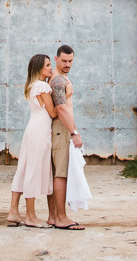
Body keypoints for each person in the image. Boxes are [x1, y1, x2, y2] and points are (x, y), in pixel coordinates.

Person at [7, 54, 57, 228]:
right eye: (47, 65)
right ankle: (31, 216)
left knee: (24, 168)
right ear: (39, 68)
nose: (51, 68)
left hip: (32, 129)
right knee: (33, 171)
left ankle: (13, 211)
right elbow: (53, 112)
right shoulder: (42, 86)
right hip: (40, 131)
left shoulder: (31, 85)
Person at [48, 44, 86, 230]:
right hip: (61, 130)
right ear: (56, 59)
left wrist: (75, 129)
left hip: (63, 129)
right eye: (63, 61)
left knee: (57, 173)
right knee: (61, 174)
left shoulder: (61, 79)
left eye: (70, 61)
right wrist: (73, 133)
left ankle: (53, 216)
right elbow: (62, 109)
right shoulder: (57, 81)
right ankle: (61, 217)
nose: (67, 64)